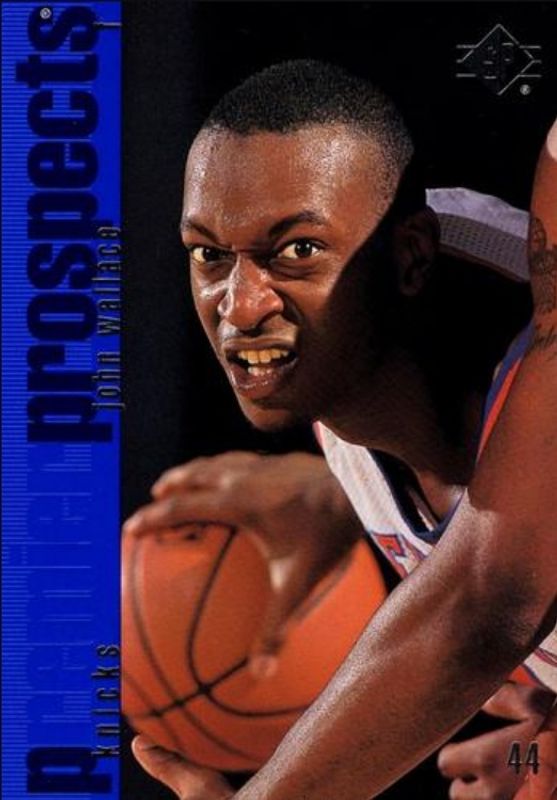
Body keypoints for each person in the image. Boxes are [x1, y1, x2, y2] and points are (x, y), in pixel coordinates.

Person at [123, 61, 557, 799]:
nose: (239, 308)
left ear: (410, 258)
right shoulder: (349, 395)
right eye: (208, 255)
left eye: (296, 250)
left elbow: (487, 602)